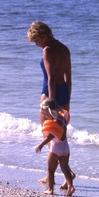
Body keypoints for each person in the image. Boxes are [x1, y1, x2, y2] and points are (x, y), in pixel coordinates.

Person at [27, 21, 75, 187]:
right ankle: (67, 172)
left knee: (48, 134)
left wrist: (50, 102)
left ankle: (50, 175)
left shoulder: (47, 50)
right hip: (64, 93)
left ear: (43, 36)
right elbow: (68, 77)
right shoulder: (64, 48)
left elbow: (51, 79)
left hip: (50, 95)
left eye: (36, 40)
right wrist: (67, 99)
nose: (35, 44)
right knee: (60, 134)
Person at [35, 98, 75, 196]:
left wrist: (41, 145)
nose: (45, 116)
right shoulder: (62, 118)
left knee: (50, 170)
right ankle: (70, 187)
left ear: (48, 110)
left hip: (56, 148)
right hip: (65, 147)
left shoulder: (55, 120)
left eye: (45, 113)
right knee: (65, 168)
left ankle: (50, 190)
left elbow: (51, 135)